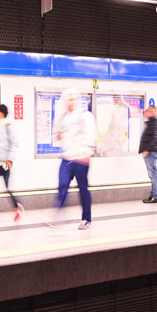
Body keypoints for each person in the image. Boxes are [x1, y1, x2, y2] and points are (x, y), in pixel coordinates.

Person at [51, 89, 97, 229]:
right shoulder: (63, 117)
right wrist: (58, 136)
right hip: (67, 157)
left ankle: (86, 219)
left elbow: (91, 135)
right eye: (67, 99)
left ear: (77, 100)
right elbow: (58, 134)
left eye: (72, 99)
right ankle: (58, 214)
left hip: (81, 158)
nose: (70, 102)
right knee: (62, 185)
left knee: (83, 189)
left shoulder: (85, 115)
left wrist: (87, 153)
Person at [139, 105, 157, 203]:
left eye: (147, 110)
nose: (145, 112)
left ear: (152, 112)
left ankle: (155, 196)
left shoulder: (155, 123)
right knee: (152, 174)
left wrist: (147, 150)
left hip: (151, 152)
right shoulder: (151, 123)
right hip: (151, 151)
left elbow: (156, 138)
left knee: (153, 174)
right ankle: (153, 195)